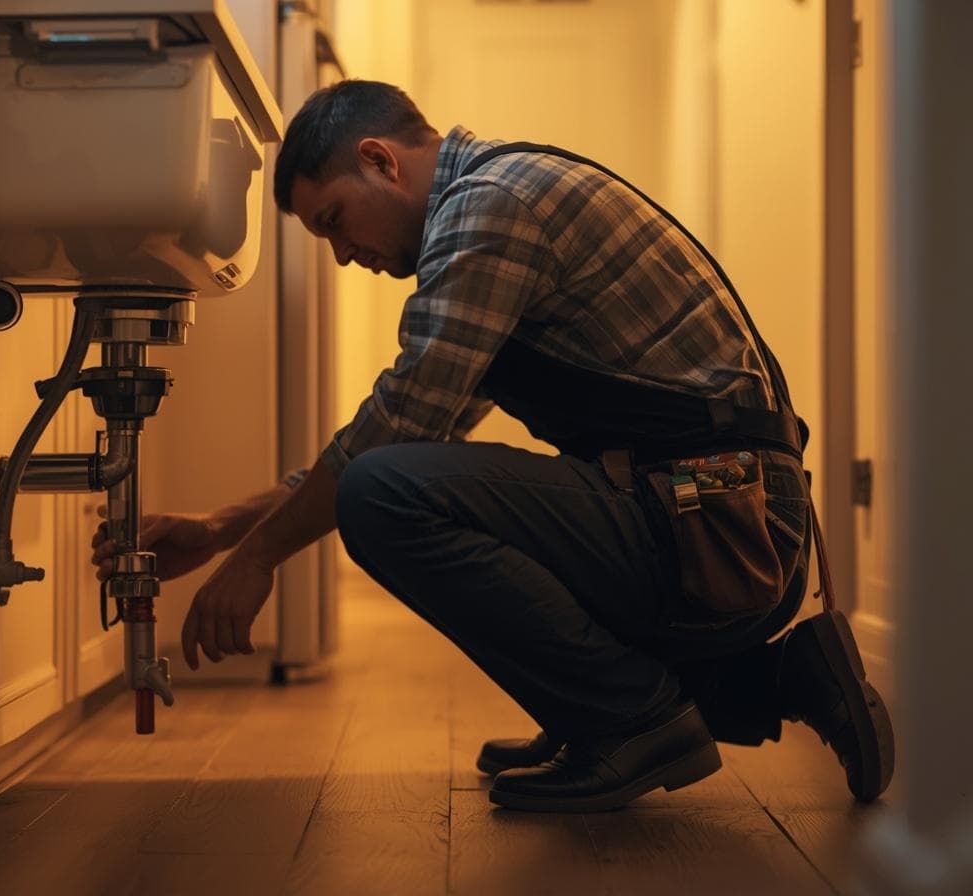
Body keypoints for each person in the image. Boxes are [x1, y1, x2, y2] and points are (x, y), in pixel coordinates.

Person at [92, 80, 892, 812]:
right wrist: (219, 529)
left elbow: (395, 431)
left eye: (335, 220)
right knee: (402, 481)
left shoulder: (488, 208)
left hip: (719, 510)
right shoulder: (501, 200)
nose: (343, 255)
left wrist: (257, 555)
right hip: (714, 505)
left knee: (386, 494)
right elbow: (411, 427)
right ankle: (777, 679)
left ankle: (629, 718)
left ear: (380, 161)